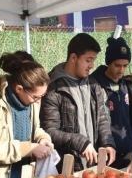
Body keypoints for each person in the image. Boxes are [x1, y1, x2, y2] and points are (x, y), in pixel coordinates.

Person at [40, 33, 116, 171]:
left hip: (93, 167)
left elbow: (102, 119)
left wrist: (107, 143)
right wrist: (79, 142)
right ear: (73, 57)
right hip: (66, 169)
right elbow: (49, 131)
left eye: (93, 60)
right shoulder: (54, 88)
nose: (92, 65)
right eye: (88, 60)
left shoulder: (94, 85)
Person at [90, 37, 132, 169]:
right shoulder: (95, 85)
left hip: (128, 151)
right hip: (107, 153)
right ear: (109, 62)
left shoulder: (126, 83)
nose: (121, 70)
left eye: (125, 66)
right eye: (117, 65)